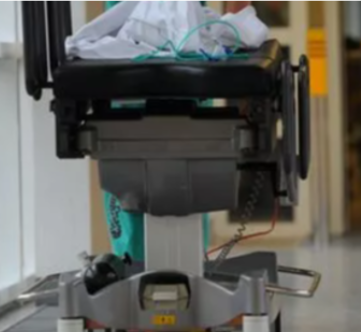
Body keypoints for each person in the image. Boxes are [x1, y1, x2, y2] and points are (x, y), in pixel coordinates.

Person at [102, 0, 253, 264]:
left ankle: (175, 272)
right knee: (134, 218)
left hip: (181, 67)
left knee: (187, 195)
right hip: (134, 63)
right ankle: (139, 268)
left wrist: (236, 33)